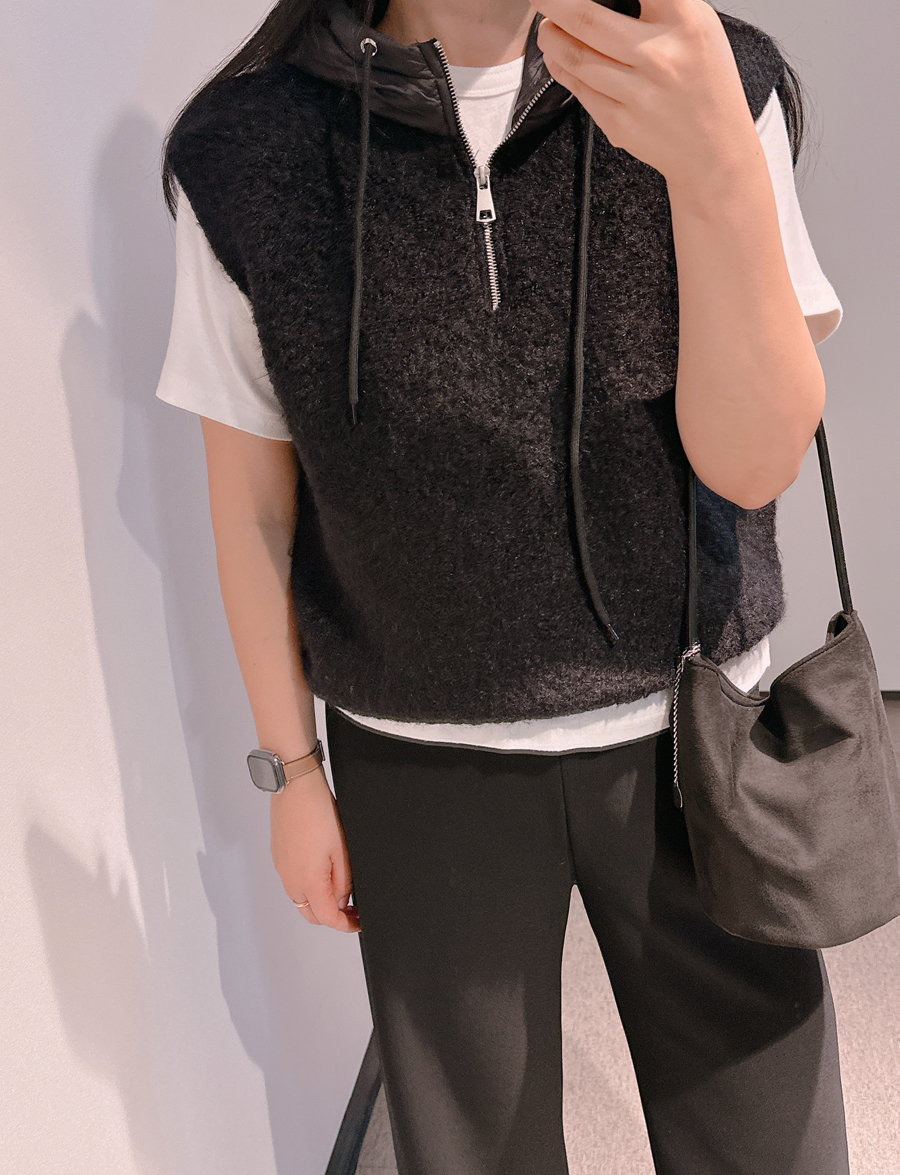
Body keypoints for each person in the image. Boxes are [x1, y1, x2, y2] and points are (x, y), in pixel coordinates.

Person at [156, 0, 850, 1170]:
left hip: (698, 733)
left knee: (771, 1141)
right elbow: (254, 501)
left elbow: (754, 459)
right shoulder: (250, 146)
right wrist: (290, 771)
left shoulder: (713, 77)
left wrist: (717, 160)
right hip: (418, 757)